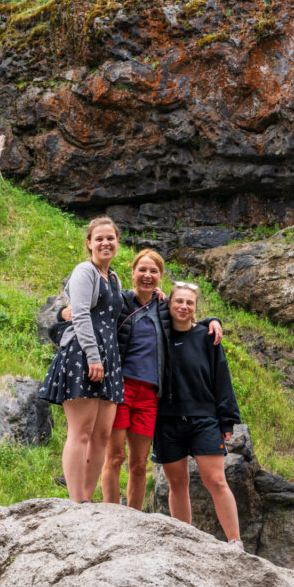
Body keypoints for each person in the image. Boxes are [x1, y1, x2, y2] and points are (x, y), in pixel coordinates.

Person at [95, 250, 222, 509]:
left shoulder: (164, 308)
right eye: (142, 269)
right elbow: (92, 314)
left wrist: (213, 320)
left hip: (150, 394)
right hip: (120, 389)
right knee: (116, 456)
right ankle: (109, 515)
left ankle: (133, 517)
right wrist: (65, 312)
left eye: (153, 271)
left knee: (139, 464)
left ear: (160, 277)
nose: (147, 275)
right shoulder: (119, 302)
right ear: (132, 273)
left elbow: (188, 318)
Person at [38, 217, 125, 503]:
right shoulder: (84, 271)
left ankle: (88, 498)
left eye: (110, 238)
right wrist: (93, 356)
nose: (105, 243)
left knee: (101, 435)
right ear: (89, 243)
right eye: (99, 238)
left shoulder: (113, 278)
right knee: (81, 432)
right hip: (84, 356)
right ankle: (77, 501)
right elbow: (82, 314)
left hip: (109, 360)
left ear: (117, 242)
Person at [154, 282, 243, 549]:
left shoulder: (208, 337)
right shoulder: (158, 335)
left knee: (216, 480)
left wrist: (226, 419)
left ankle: (235, 542)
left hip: (204, 419)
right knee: (176, 483)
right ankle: (185, 543)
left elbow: (221, 379)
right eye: (178, 301)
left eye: (189, 303)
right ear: (169, 304)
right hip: (166, 420)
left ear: (195, 308)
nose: (183, 306)